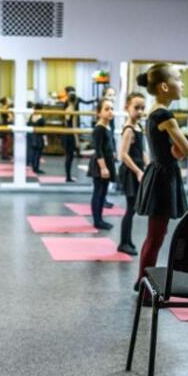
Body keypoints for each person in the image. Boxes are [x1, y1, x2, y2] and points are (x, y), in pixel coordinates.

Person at [135, 64, 188, 289]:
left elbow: (172, 151)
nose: (182, 84)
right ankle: (143, 285)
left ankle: (142, 282)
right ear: (164, 87)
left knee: (156, 235)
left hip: (160, 172)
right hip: (163, 178)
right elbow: (187, 150)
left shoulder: (154, 112)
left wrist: (174, 150)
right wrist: (180, 145)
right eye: (178, 79)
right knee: (156, 236)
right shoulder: (165, 116)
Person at [117, 92, 149, 255]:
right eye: (136, 108)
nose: (140, 111)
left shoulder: (139, 127)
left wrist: (148, 165)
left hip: (137, 169)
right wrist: (137, 171)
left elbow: (142, 150)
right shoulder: (129, 129)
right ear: (127, 108)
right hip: (130, 171)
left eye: (143, 108)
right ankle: (123, 243)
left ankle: (127, 240)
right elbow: (123, 155)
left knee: (133, 208)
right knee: (130, 209)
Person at [87, 98, 117, 230]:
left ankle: (100, 219)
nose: (110, 111)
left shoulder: (107, 126)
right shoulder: (99, 128)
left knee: (103, 192)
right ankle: (97, 221)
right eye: (107, 109)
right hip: (100, 164)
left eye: (112, 109)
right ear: (99, 112)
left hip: (107, 162)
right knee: (98, 192)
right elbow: (98, 150)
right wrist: (103, 168)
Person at [62, 86, 96, 182]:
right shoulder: (74, 111)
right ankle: (68, 177)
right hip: (71, 135)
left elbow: (66, 123)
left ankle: (68, 176)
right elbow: (74, 127)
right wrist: (77, 141)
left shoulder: (66, 108)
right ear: (75, 101)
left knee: (68, 157)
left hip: (66, 133)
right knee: (70, 157)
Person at [26, 101, 46, 174]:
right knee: (38, 153)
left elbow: (28, 124)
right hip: (39, 136)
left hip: (32, 135)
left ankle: (34, 167)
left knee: (34, 152)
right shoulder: (41, 118)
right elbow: (43, 127)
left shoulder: (32, 116)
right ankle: (36, 168)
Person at [0, 96, 14, 161]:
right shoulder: (6, 108)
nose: (10, 101)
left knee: (5, 140)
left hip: (4, 124)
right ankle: (5, 154)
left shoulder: (3, 107)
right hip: (7, 124)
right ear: (6, 102)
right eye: (8, 100)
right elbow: (10, 118)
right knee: (8, 140)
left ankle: (4, 154)